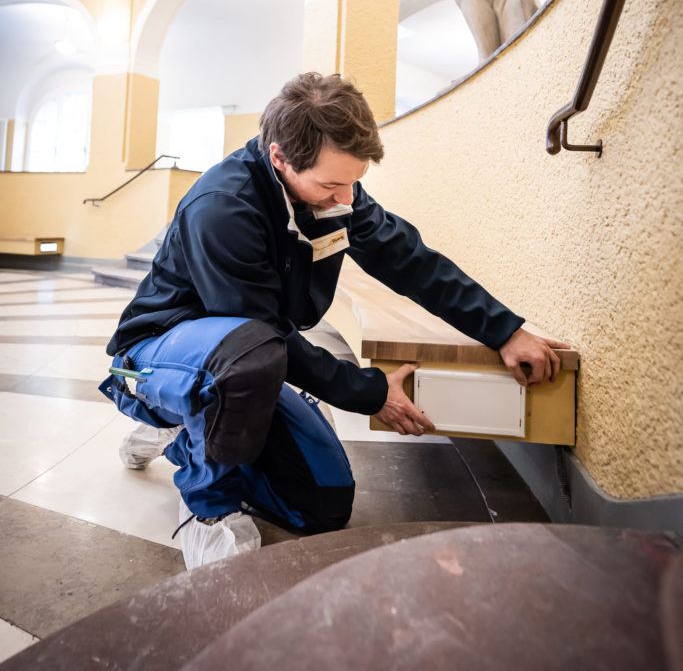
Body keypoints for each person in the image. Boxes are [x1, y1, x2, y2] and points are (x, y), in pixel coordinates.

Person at [100, 72, 567, 568]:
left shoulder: (335, 193)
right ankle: (207, 506)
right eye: (330, 184)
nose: (346, 199)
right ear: (279, 157)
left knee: (321, 504)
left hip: (244, 355)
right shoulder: (222, 207)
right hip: (158, 352)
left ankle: (184, 428)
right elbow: (265, 332)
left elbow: (410, 260)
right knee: (250, 357)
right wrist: (369, 389)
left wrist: (504, 330)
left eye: (353, 182)